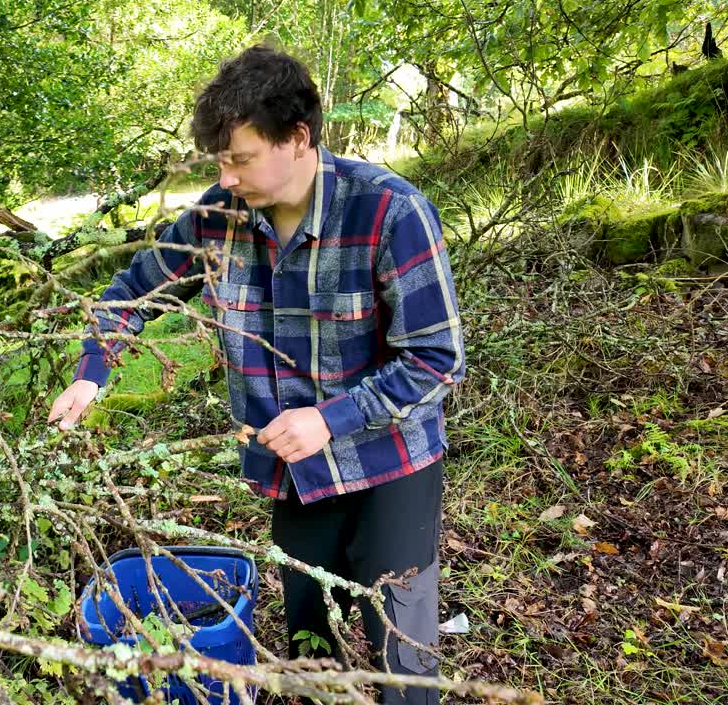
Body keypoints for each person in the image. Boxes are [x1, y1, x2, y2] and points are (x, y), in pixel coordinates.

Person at [47, 45, 464, 704]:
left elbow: (436, 360)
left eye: (239, 158)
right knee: (307, 641)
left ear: (296, 138)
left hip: (391, 468)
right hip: (292, 477)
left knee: (403, 657)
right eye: (219, 160)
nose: (227, 175)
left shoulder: (389, 213)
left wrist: (330, 418)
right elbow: (133, 291)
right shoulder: (219, 217)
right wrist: (93, 371)